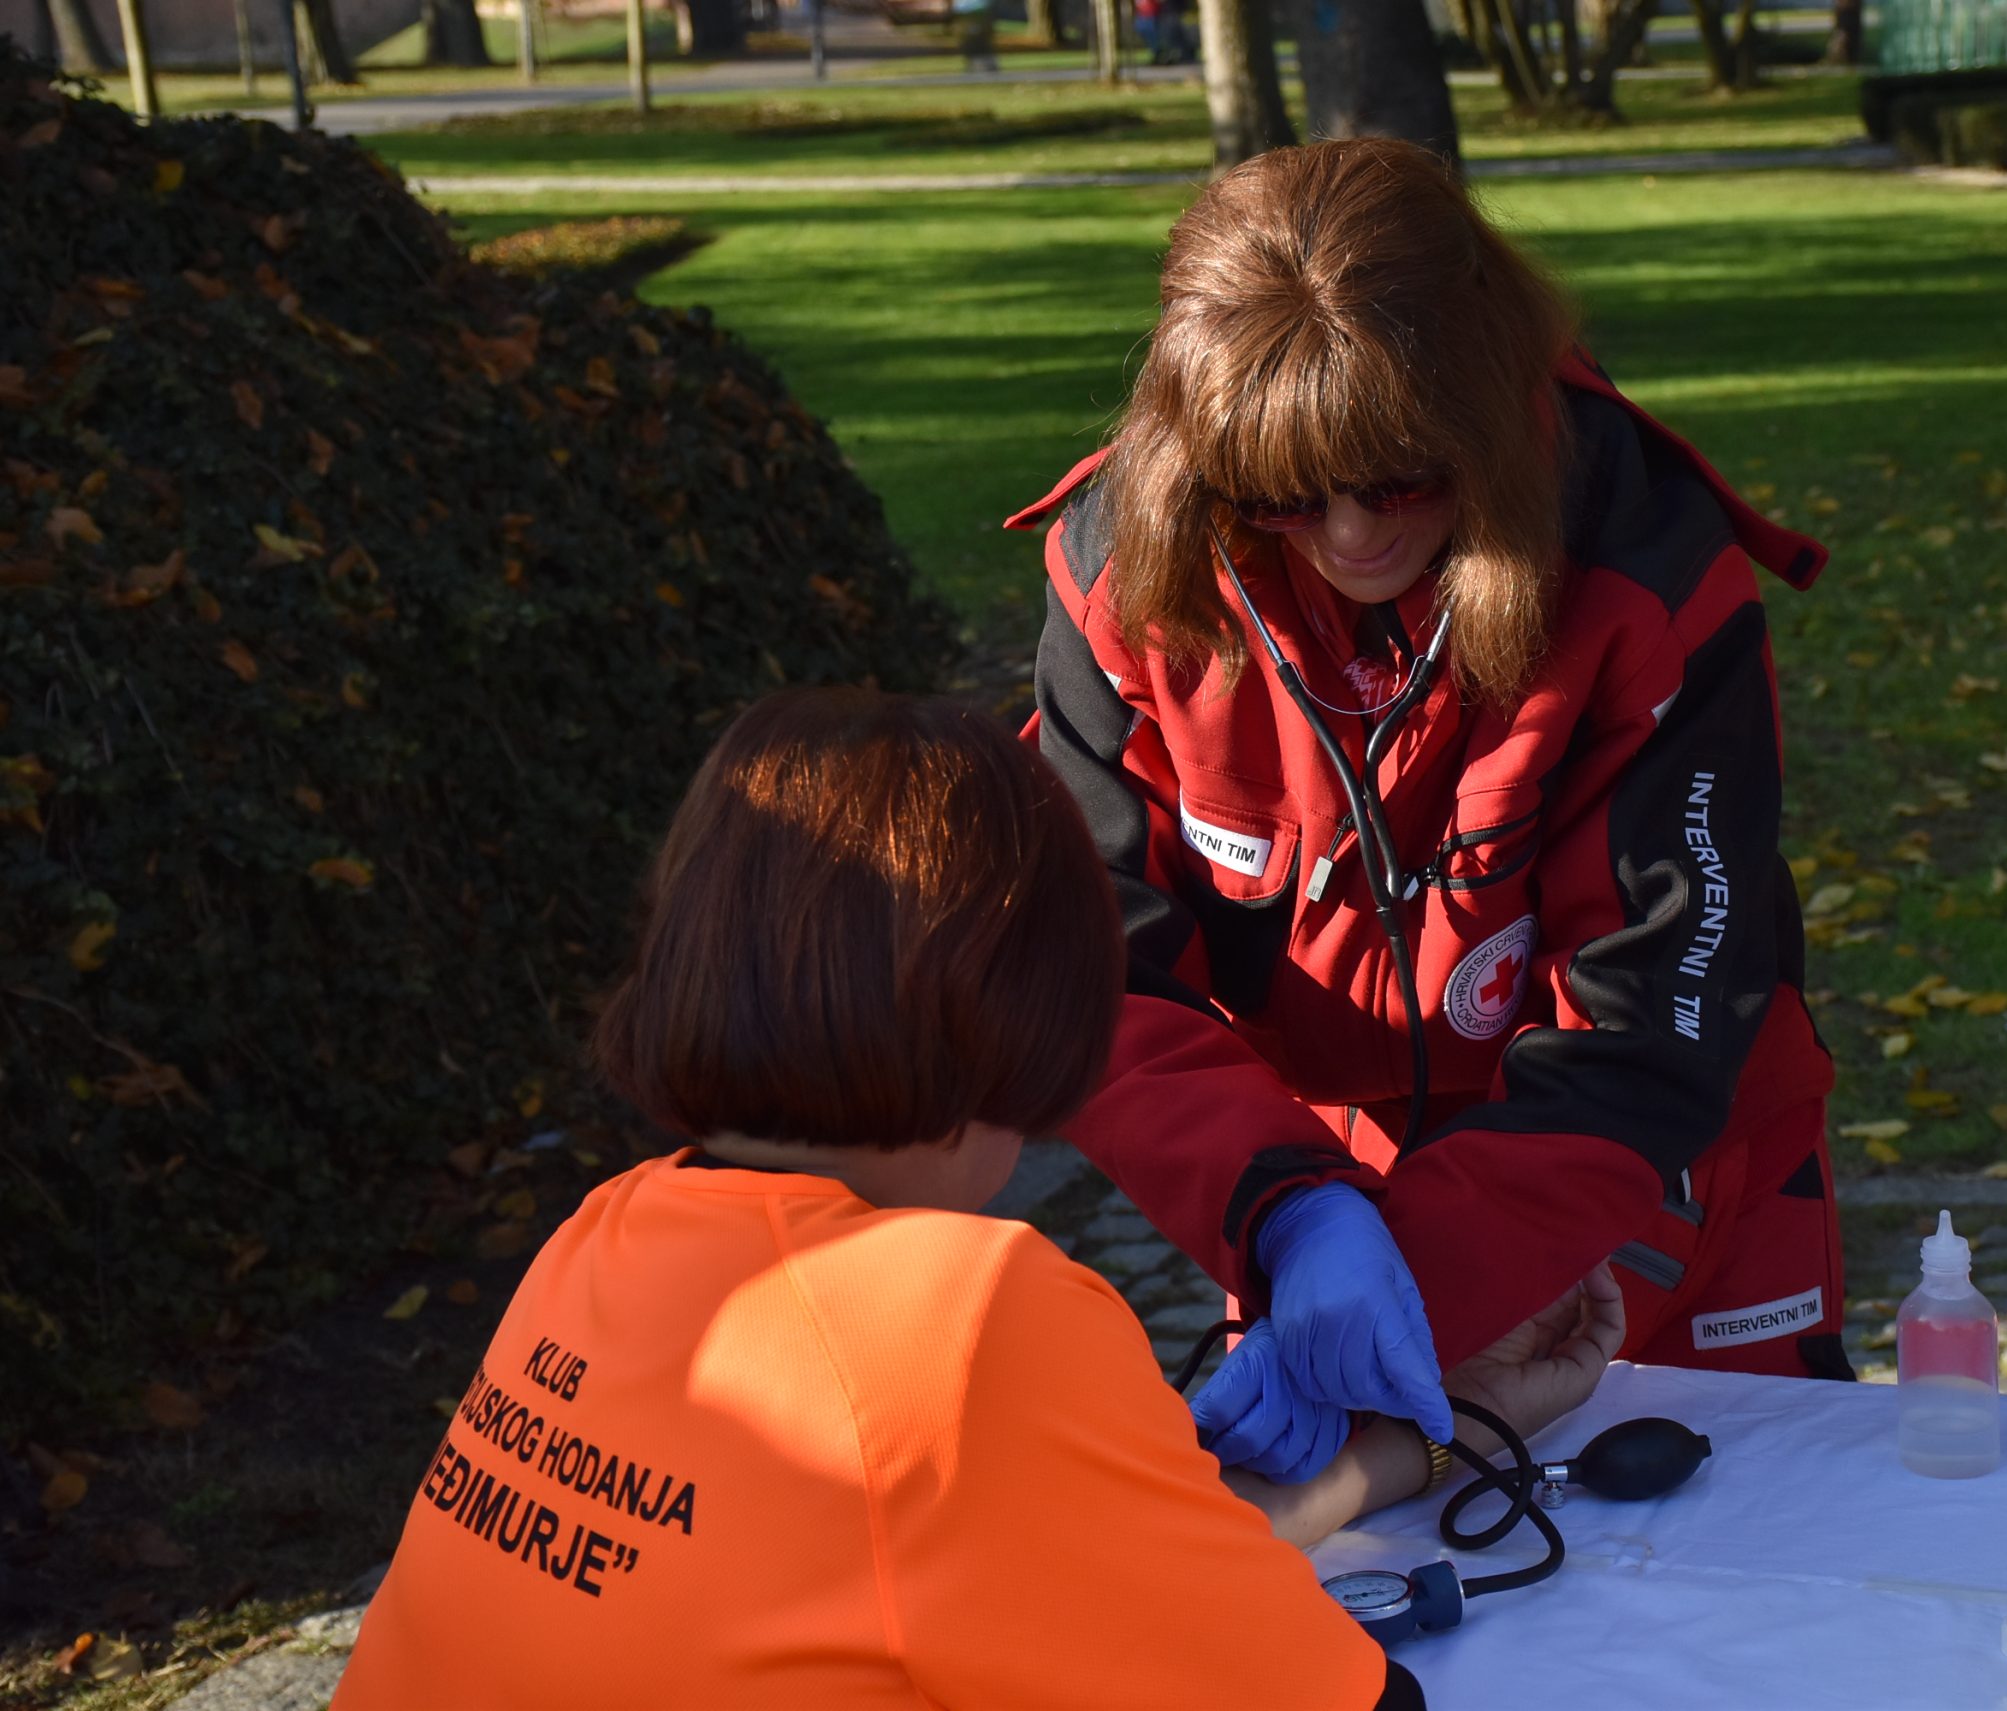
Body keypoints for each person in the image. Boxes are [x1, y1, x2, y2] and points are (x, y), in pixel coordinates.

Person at [334, 688, 1623, 1710]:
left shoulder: (603, 1237)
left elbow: (1051, 1573)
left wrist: (1446, 1431)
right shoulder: (959, 1315)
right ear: (1028, 1015)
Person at [1013, 136, 1844, 1486]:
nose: (1349, 538)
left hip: (1657, 1174)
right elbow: (1090, 970)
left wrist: (1417, 1269)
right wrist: (1286, 1215)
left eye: (1403, 476)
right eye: (1283, 494)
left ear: (1488, 396)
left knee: (1747, 1573)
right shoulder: (1126, 578)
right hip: (1315, 1188)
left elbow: (1655, 1023)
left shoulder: (1642, 566)